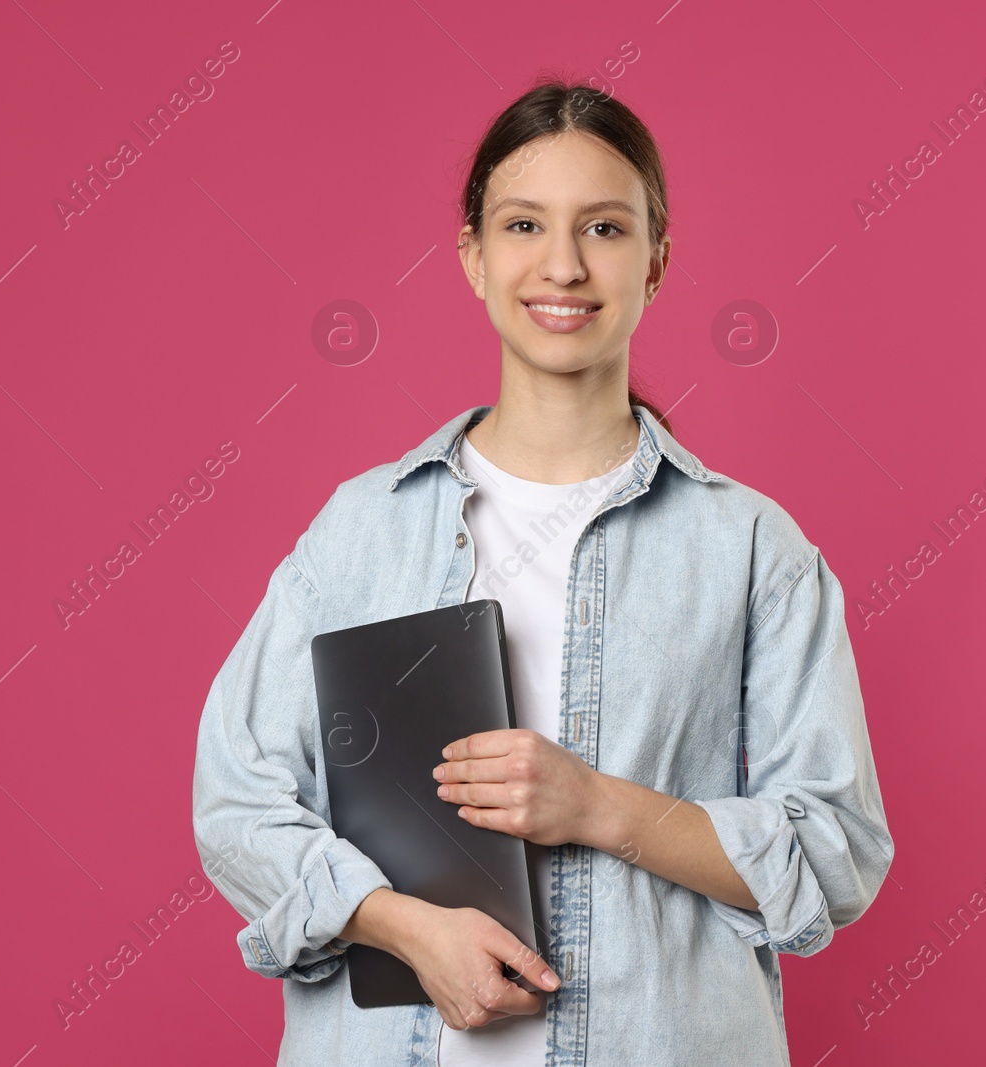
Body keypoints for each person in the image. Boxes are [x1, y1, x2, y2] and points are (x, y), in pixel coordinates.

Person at [191, 79, 894, 1067]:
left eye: (604, 228)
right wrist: (402, 925)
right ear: (474, 256)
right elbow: (237, 796)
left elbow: (836, 847)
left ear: (656, 261)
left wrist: (594, 804)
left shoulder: (750, 550)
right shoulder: (359, 532)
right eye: (524, 224)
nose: (562, 264)